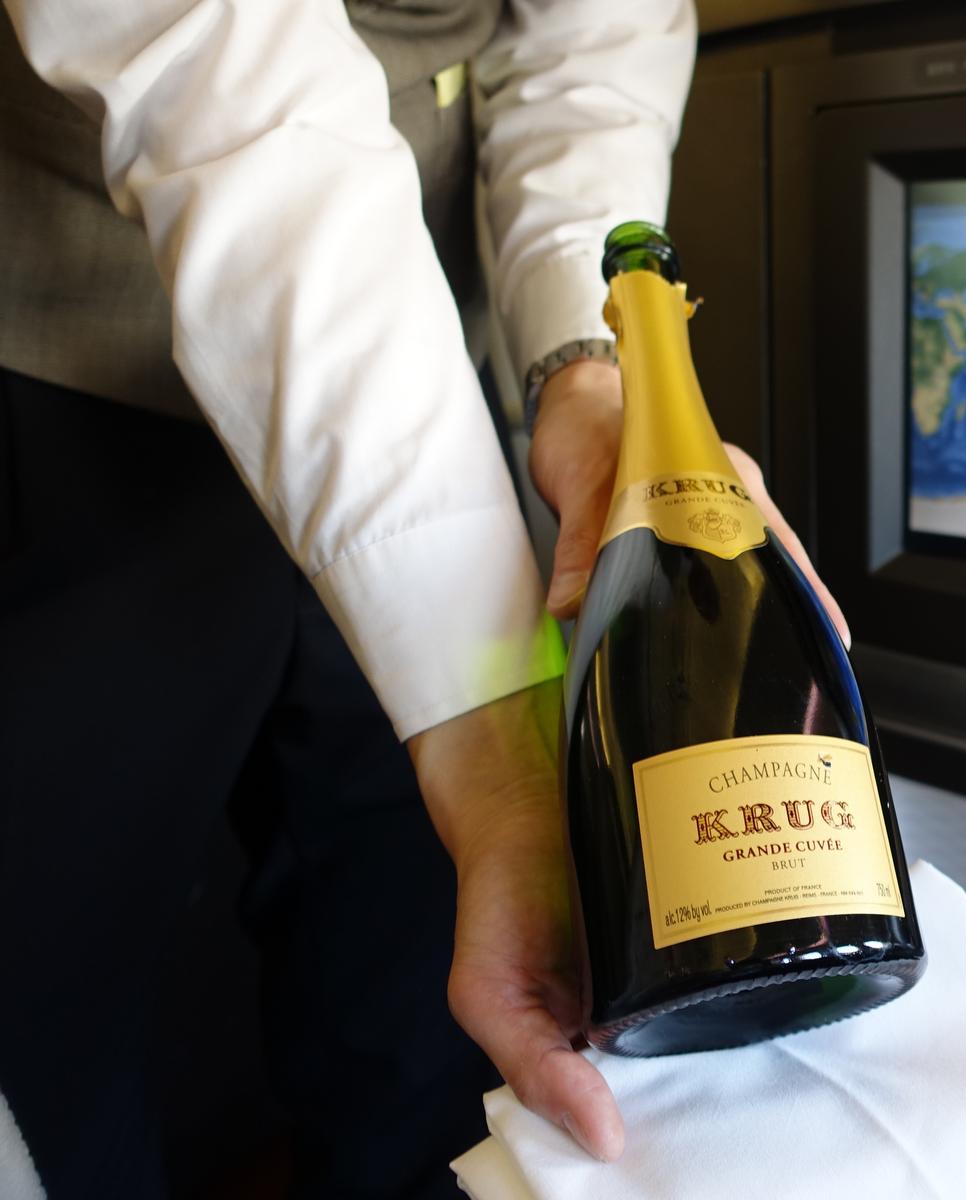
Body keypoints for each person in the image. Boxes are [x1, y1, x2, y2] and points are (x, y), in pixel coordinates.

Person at [0, 1, 841, 1195]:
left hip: (432, 392)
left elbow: (586, 47)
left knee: (416, 972)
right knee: (61, 986)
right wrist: (488, 743)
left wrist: (590, 369)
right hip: (79, 372)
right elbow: (223, 82)